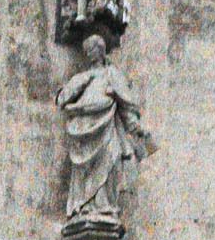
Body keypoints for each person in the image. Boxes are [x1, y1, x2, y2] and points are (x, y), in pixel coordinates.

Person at [55, 32, 153, 221]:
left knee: (110, 161)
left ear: (101, 51)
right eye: (87, 51)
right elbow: (63, 99)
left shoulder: (112, 74)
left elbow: (126, 106)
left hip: (108, 129)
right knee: (85, 171)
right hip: (85, 133)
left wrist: (136, 127)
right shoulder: (83, 77)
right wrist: (83, 83)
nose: (90, 53)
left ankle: (105, 207)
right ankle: (85, 208)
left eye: (93, 49)